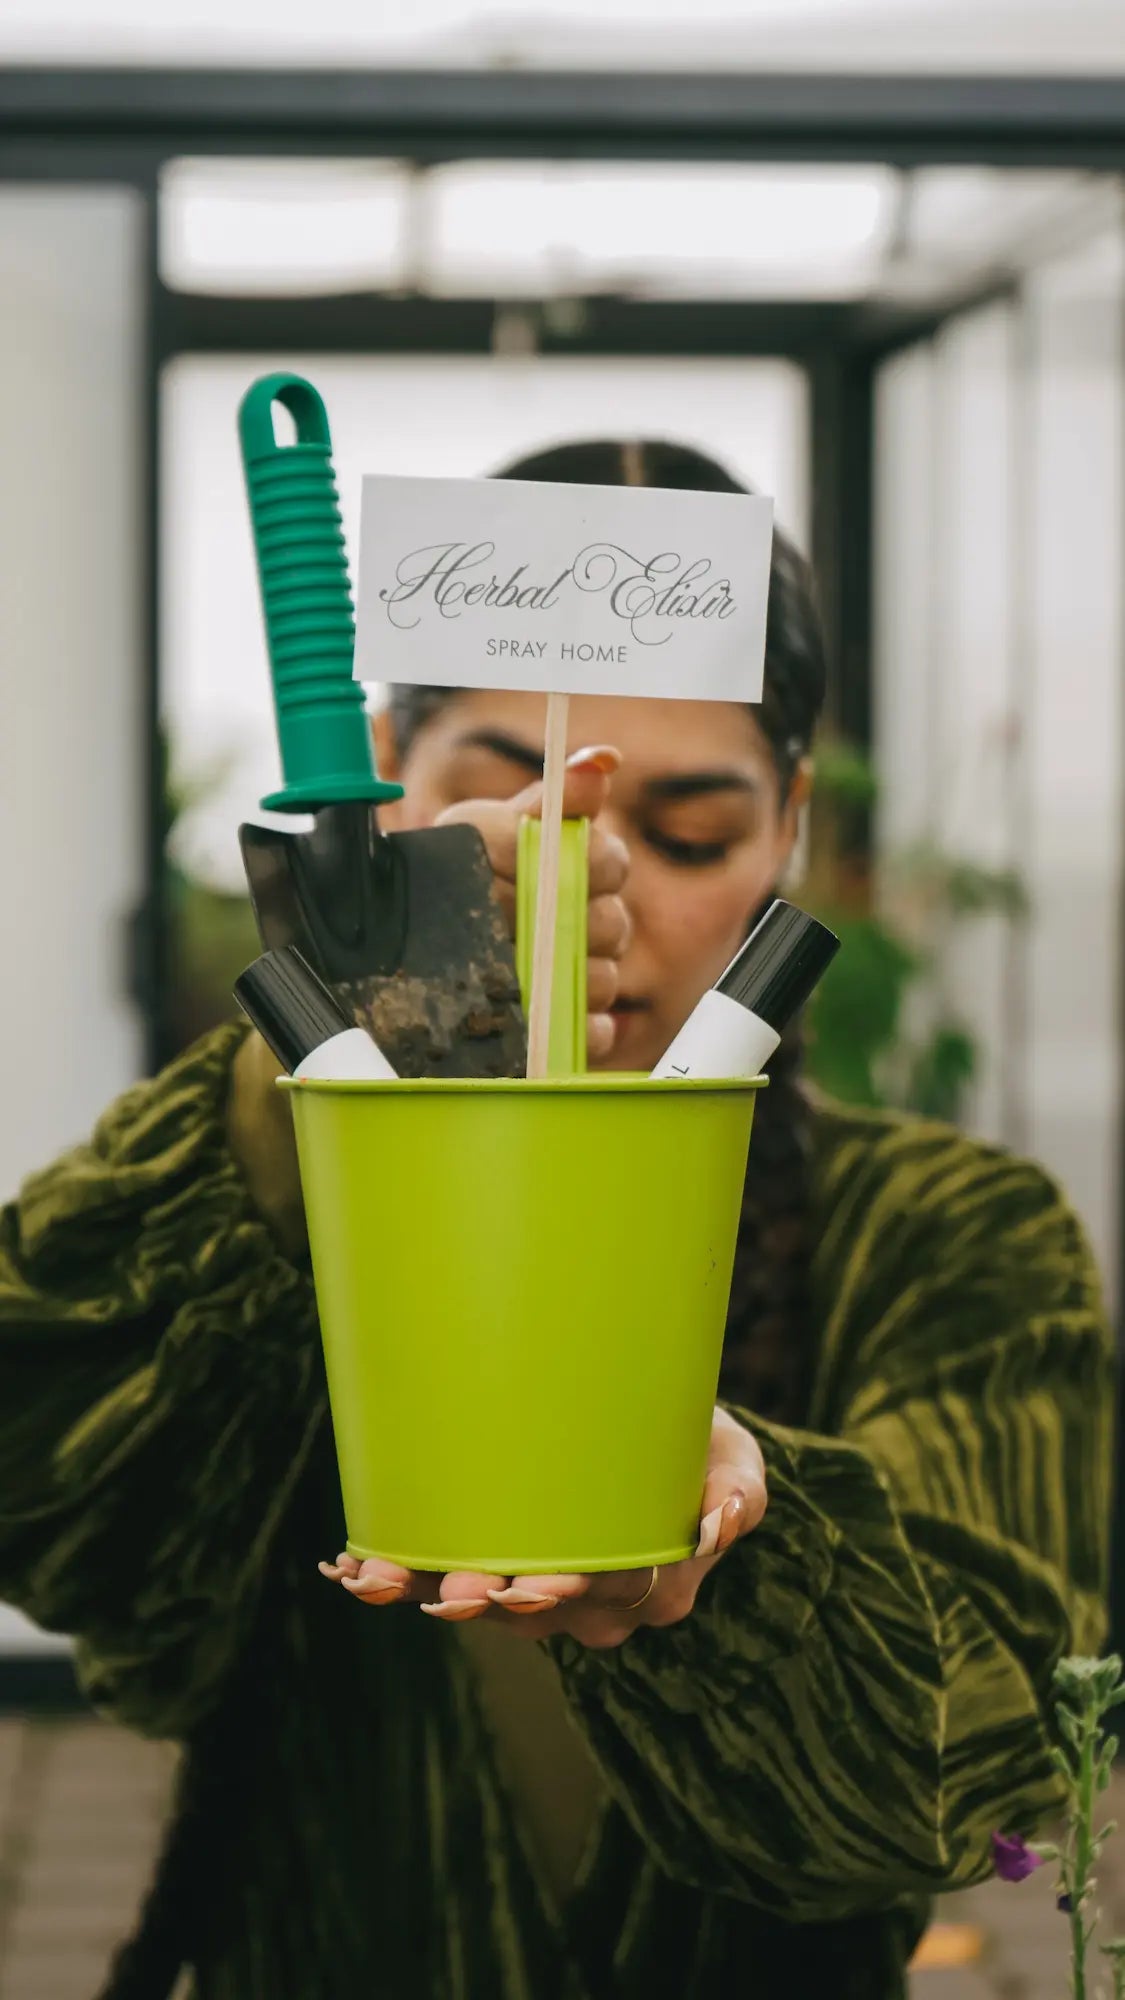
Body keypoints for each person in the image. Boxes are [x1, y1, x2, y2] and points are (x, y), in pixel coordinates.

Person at [0, 439, 1110, 2000]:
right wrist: (294, 1098)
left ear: (789, 826)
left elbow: (974, 1748)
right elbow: (46, 1503)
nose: (589, 883)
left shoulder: (945, 1236)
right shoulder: (269, 1206)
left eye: (693, 832)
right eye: (486, 800)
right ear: (383, 771)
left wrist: (732, 1557)